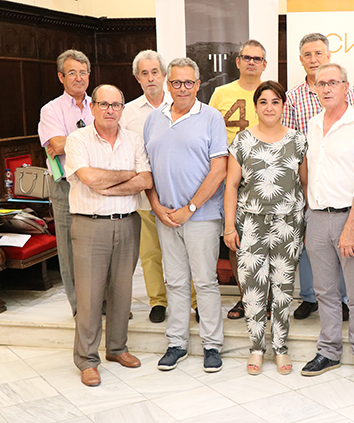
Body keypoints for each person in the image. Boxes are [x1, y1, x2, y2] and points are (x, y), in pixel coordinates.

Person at [65, 84, 152, 386]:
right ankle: (87, 360)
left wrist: (109, 184)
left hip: (128, 223)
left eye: (115, 105)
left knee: (122, 292)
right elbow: (88, 177)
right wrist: (128, 175)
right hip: (90, 225)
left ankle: (117, 348)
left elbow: (146, 180)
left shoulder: (134, 140)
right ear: (92, 107)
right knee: (90, 296)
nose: (110, 110)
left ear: (122, 109)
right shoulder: (77, 140)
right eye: (103, 104)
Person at [145, 57, 227, 373]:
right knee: (176, 282)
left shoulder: (211, 117)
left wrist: (189, 208)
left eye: (189, 82)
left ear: (198, 84)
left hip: (201, 216)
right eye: (177, 82)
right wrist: (156, 206)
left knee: (204, 282)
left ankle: (212, 346)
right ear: (168, 84)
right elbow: (146, 169)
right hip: (165, 217)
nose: (183, 88)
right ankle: (176, 343)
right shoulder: (153, 119)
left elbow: (219, 170)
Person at [301, 63, 354, 383]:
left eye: (333, 82)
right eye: (321, 84)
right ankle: (329, 351)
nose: (327, 88)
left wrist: (349, 229)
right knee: (325, 291)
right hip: (318, 218)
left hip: (353, 219)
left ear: (346, 87)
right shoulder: (312, 124)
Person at [224, 81, 307, 375]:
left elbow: (304, 184)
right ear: (256, 106)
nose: (269, 107)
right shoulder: (242, 141)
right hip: (251, 225)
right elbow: (231, 185)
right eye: (263, 102)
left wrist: (306, 224)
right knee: (253, 290)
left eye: (275, 102)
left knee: (283, 289)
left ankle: (281, 348)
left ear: (283, 106)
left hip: (288, 225)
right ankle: (257, 348)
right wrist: (229, 227)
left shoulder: (298, 141)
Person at [282, 32, 354, 321]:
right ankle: (309, 296)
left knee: (341, 242)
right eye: (308, 55)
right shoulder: (293, 97)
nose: (313, 59)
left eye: (318, 54)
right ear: (301, 60)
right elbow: (290, 141)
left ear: (328, 56)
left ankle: (344, 299)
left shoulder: (346, 91)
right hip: (307, 179)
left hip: (340, 180)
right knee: (308, 239)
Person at [210, 39, 267, 320]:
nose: (251, 62)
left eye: (257, 58)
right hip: (230, 180)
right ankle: (245, 297)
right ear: (238, 62)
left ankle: (267, 298)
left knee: (267, 242)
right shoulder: (221, 93)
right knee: (236, 239)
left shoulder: (272, 92)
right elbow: (209, 133)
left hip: (266, 179)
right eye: (247, 57)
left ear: (264, 64)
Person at [38, 49, 93, 316]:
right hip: (65, 186)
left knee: (99, 246)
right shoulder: (51, 110)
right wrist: (94, 139)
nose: (78, 78)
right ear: (61, 77)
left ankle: (103, 302)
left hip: (96, 184)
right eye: (72, 73)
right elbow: (56, 145)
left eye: (83, 72)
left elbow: (65, 143)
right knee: (70, 250)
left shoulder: (99, 104)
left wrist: (70, 141)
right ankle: (79, 307)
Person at [121, 49, 172, 324]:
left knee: (183, 252)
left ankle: (194, 301)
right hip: (142, 197)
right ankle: (158, 302)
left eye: (155, 72)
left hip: (177, 195)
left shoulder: (180, 105)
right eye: (144, 73)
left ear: (164, 75)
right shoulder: (127, 112)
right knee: (150, 253)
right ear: (137, 78)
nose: (151, 78)